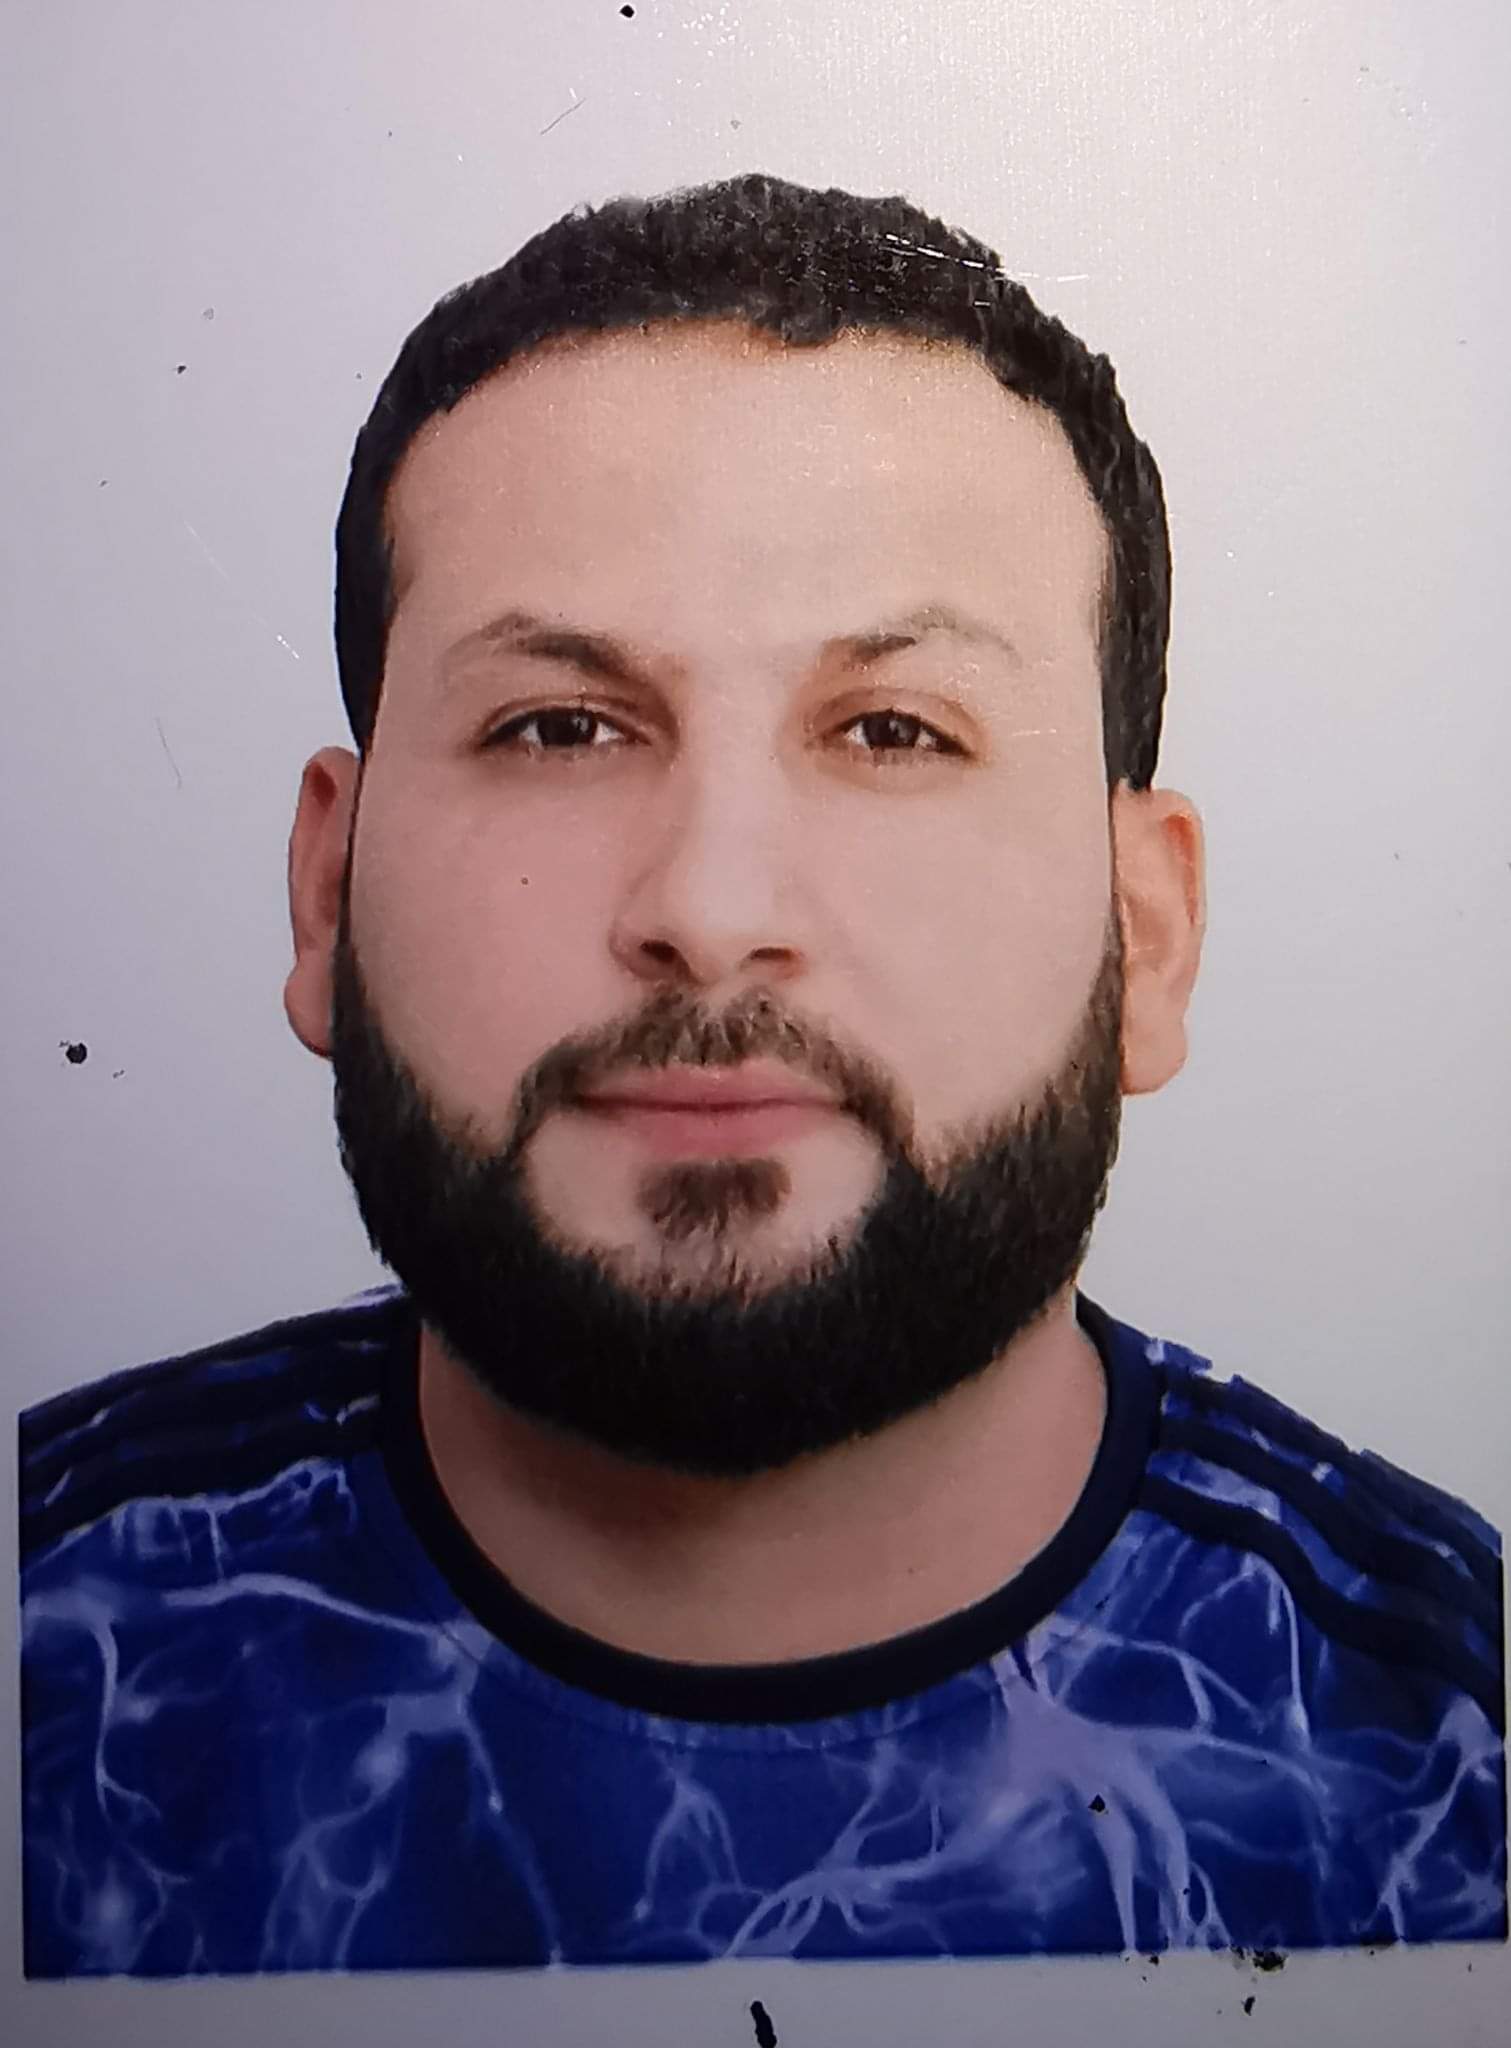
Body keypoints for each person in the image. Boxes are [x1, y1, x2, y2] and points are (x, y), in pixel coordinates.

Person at [17, 173, 1505, 1981]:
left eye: (894, 730)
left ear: (1148, 932)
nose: (711, 916)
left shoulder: (1463, 1769)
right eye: (558, 726)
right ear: (326, 892)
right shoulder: (48, 1641)